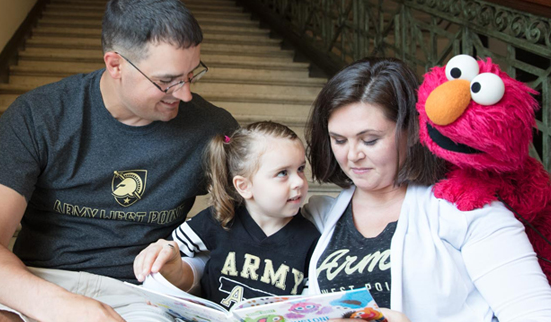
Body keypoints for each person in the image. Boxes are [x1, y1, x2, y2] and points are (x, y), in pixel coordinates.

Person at [0, 0, 238, 321]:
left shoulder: (213, 128)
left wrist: (186, 272)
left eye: (191, 74)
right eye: (167, 80)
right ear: (115, 65)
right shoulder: (38, 115)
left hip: (142, 293)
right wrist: (60, 306)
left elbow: (250, 232)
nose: (184, 94)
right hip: (35, 281)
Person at [302, 57, 551, 322]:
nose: (352, 155)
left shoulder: (466, 212)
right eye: (339, 140)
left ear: (411, 133)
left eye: (370, 140)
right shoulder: (321, 215)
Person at [133, 121, 320, 309]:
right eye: (282, 173)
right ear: (244, 186)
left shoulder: (312, 239)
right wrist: (157, 287)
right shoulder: (220, 219)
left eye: (301, 169)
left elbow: (309, 303)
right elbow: (171, 252)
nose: (299, 182)